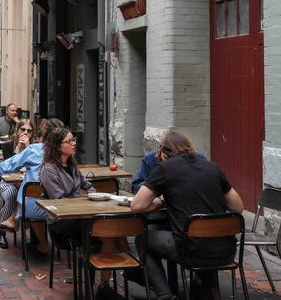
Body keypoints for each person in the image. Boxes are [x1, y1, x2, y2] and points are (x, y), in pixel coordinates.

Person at [131, 131, 245, 300]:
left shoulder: (164, 168)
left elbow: (137, 205)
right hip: (227, 250)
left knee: (142, 239)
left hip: (191, 251)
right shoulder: (212, 167)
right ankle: (204, 288)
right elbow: (238, 207)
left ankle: (165, 295)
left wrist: (161, 202)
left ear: (164, 152)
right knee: (199, 238)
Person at [41, 128, 127, 298]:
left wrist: (93, 195)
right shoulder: (49, 170)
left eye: (74, 140)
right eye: (69, 141)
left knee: (115, 229)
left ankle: (104, 284)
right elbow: (60, 201)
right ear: (58, 146)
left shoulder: (72, 165)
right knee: (110, 233)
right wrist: (82, 199)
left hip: (82, 216)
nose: (74, 144)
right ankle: (109, 283)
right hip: (61, 223)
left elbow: (87, 186)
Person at [0, 118, 64, 250]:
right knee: (24, 187)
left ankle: (14, 221)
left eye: (30, 131)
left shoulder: (35, 150)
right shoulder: (66, 153)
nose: (26, 133)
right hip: (59, 206)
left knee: (27, 188)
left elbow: (9, 165)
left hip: (34, 208)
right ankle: (30, 234)